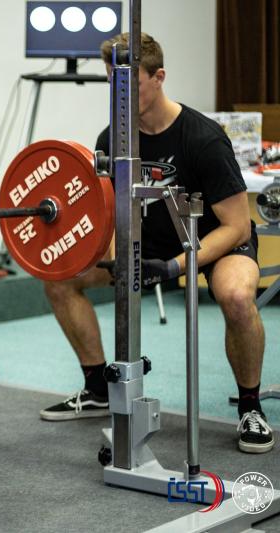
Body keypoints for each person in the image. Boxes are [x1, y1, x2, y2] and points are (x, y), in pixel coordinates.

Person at [40, 32, 273, 454]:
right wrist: (103, 254)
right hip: (145, 245)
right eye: (112, 82)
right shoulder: (112, 139)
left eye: (129, 83)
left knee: (238, 296)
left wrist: (177, 266)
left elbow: (238, 226)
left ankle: (250, 406)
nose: (118, 93)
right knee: (61, 277)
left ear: (159, 77)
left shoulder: (203, 138)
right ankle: (97, 389)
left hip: (212, 242)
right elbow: (105, 212)